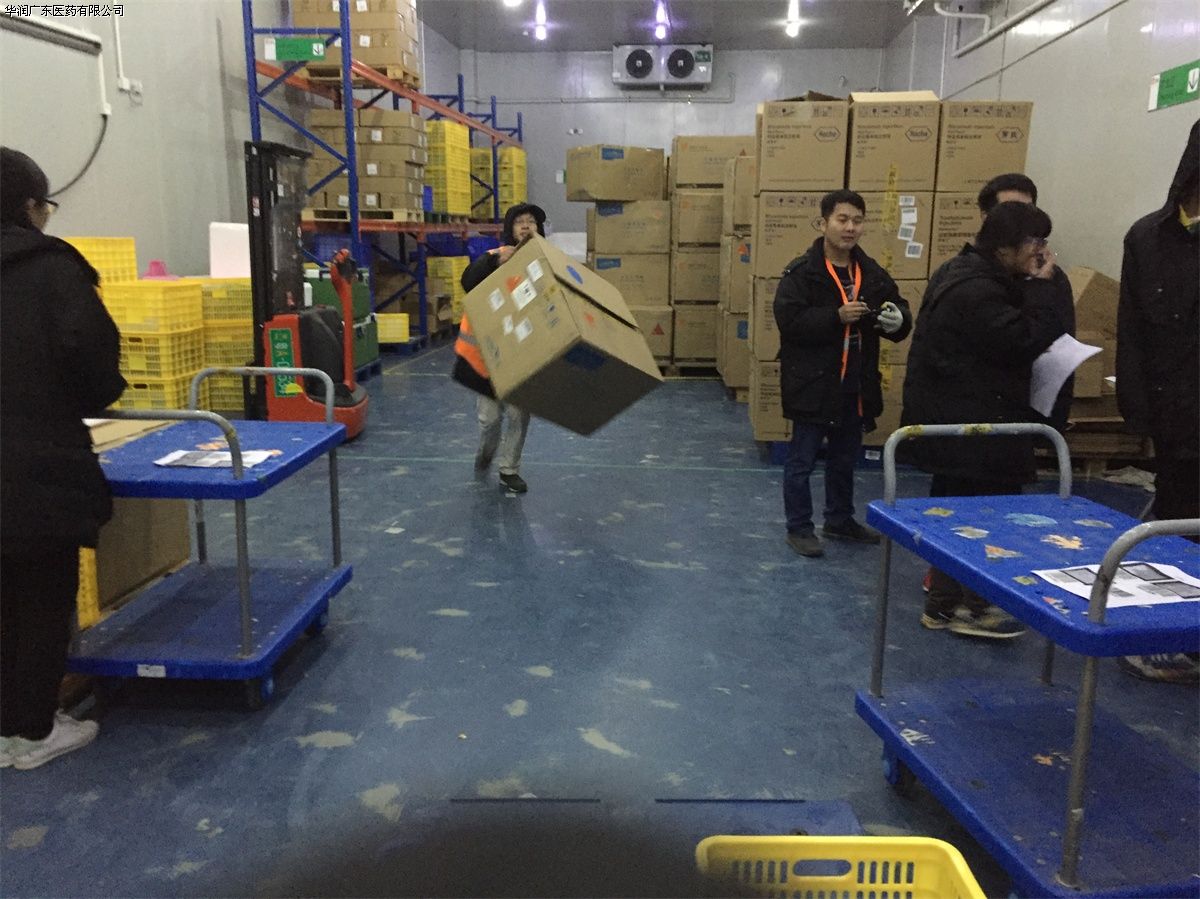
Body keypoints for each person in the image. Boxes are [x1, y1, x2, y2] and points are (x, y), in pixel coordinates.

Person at [0, 148, 127, 769]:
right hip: (35, 472)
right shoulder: (52, 271)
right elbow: (96, 372)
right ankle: (30, 731)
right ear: (30, 207)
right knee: (40, 598)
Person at [900, 201, 1066, 639]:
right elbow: (1022, 339)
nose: (1041, 251)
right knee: (981, 516)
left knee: (960, 513)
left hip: (962, 426)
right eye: (1034, 242)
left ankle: (948, 604)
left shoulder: (967, 273)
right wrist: (1042, 288)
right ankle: (972, 606)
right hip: (973, 431)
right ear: (1004, 246)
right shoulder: (977, 291)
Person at [773, 189, 912, 558]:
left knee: (844, 459)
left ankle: (839, 519)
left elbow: (897, 307)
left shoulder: (871, 273)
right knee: (801, 461)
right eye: (842, 219)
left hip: (855, 385)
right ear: (823, 223)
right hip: (813, 384)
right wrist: (835, 317)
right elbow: (789, 321)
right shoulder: (802, 273)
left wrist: (899, 319)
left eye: (857, 221)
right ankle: (799, 527)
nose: (850, 228)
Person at [1115, 119, 1199, 685]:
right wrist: (1137, 410)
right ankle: (1170, 637)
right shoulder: (1147, 237)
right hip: (1176, 414)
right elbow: (1133, 328)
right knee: (1178, 528)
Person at [454, 203, 546, 494]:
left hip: (523, 353)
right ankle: (487, 451)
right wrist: (494, 262)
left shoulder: (546, 263)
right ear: (510, 229)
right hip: (489, 355)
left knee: (519, 415)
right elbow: (468, 281)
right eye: (520, 221)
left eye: (531, 221)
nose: (526, 226)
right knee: (489, 419)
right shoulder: (495, 256)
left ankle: (509, 469)